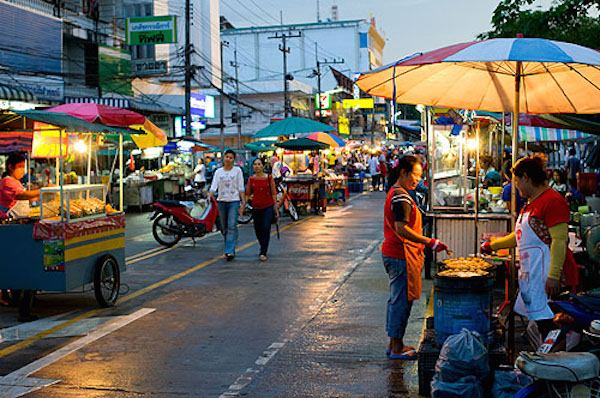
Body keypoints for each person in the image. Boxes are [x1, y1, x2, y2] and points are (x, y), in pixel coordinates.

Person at [481, 155, 577, 339]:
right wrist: (492, 246)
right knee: (543, 329)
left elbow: (559, 240)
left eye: (516, 181)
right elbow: (518, 236)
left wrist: (554, 277)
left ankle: (553, 365)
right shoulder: (531, 202)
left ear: (526, 177)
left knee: (553, 331)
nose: (515, 186)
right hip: (534, 276)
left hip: (550, 280)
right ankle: (544, 362)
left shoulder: (553, 201)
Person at [383, 155, 450, 360]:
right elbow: (401, 229)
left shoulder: (399, 192)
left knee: (398, 299)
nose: (418, 180)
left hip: (400, 254)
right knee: (401, 301)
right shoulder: (401, 196)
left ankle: (395, 343)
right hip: (400, 254)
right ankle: (396, 348)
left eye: (420, 177)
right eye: (415, 175)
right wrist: (429, 242)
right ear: (403, 172)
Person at [209, 150, 246, 261]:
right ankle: (230, 242)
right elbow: (213, 186)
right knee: (224, 227)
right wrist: (209, 196)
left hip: (234, 201)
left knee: (231, 225)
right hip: (221, 201)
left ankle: (229, 250)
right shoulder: (218, 172)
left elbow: (241, 187)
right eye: (226, 157)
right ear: (223, 158)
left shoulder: (237, 171)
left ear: (234, 160)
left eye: (230, 157)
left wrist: (243, 203)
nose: (228, 159)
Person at [245, 158, 279, 261]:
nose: (257, 166)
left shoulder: (269, 178)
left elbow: (273, 193)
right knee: (258, 229)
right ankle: (262, 244)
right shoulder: (251, 179)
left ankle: (263, 251)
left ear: (263, 166)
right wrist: (243, 206)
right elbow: (247, 194)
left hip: (267, 206)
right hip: (256, 207)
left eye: (259, 164)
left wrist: (276, 208)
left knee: (266, 228)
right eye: (255, 164)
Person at [0, 152, 41, 220]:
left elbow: (28, 199)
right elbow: (21, 195)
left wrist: (46, 193)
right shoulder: (6, 181)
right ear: (10, 167)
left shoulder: (17, 182)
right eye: (20, 167)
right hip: (9, 221)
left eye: (23, 167)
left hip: (20, 219)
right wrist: (42, 190)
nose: (23, 170)